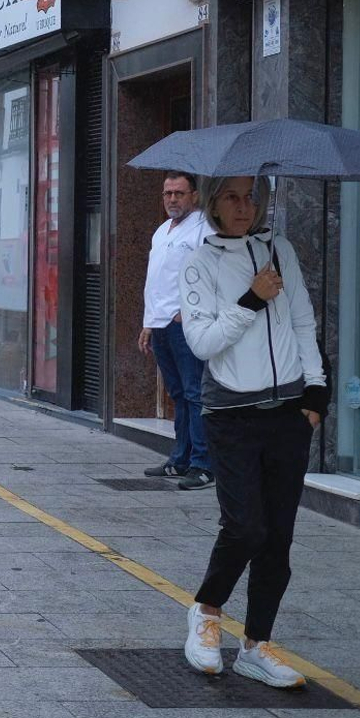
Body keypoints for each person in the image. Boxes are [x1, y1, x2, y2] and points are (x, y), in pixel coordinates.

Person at [179, 175, 326, 689]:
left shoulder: (279, 249)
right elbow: (201, 342)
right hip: (231, 416)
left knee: (278, 541)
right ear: (213, 203)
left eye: (252, 198)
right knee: (245, 527)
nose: (245, 208)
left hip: (288, 414)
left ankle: (256, 645)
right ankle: (206, 612)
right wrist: (252, 298)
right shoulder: (199, 261)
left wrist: (316, 392)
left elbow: (304, 321)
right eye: (232, 198)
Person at [139, 172, 215, 490]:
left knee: (195, 394)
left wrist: (190, 312)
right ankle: (180, 459)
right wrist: (147, 323)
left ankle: (203, 464)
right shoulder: (161, 231)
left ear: (194, 196)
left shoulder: (204, 228)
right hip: (159, 324)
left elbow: (215, 272)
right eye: (167, 193)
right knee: (179, 395)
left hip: (184, 324)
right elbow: (155, 280)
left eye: (179, 193)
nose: (172, 199)